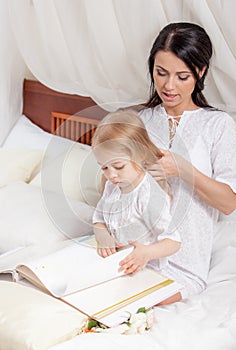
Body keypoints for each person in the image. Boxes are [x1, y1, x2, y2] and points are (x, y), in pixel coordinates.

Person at [120, 22, 236, 300]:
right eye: (161, 73)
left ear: (201, 72)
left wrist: (183, 169)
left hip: (183, 266)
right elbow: (115, 193)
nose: (168, 86)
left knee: (123, 308)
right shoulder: (141, 121)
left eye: (182, 77)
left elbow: (229, 203)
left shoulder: (217, 125)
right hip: (132, 250)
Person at [91, 110, 181, 284]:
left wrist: (146, 253)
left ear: (139, 155)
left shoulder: (149, 195)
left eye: (118, 166)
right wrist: (103, 237)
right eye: (104, 168)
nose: (111, 175)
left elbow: (174, 242)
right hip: (116, 265)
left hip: (145, 269)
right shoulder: (112, 187)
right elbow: (98, 218)